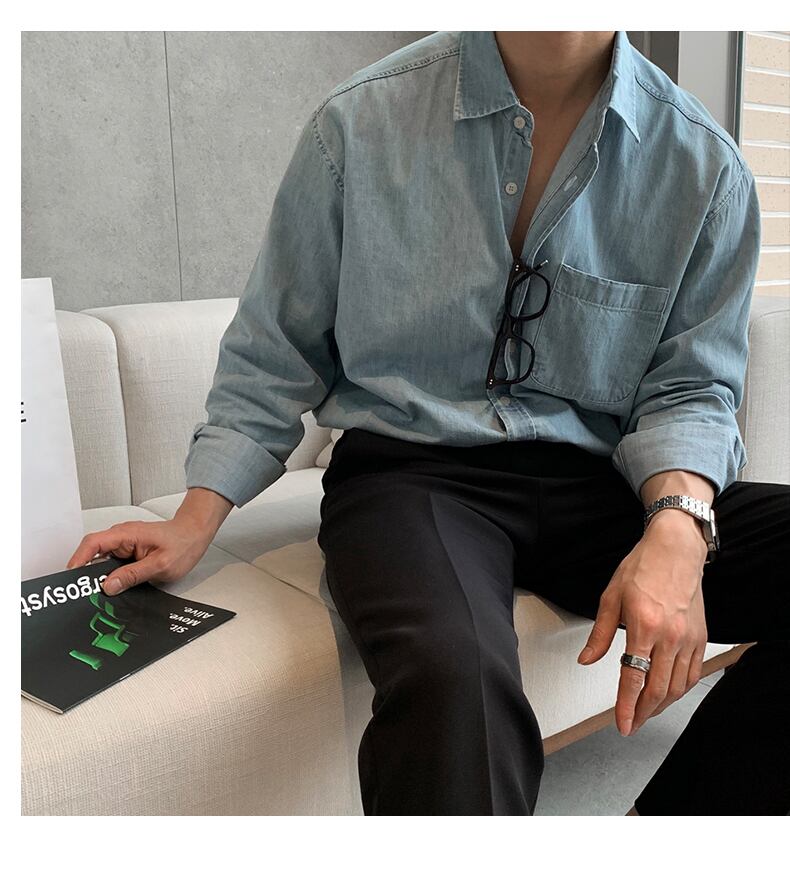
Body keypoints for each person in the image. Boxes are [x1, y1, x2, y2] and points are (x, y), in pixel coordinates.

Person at [68, 31, 790, 815]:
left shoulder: (703, 166)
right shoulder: (358, 123)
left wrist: (679, 527)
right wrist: (195, 517)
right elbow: (276, 345)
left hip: (601, 484)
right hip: (413, 476)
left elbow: (692, 385)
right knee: (455, 679)